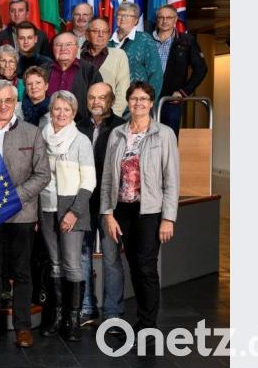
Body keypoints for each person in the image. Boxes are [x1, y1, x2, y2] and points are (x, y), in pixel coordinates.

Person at [0, 80, 50, 348]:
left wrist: (14, 198)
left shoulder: (32, 133)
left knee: (22, 272)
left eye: (8, 101)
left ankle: (22, 326)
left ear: (16, 103)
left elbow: (43, 175)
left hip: (22, 215)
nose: (2, 105)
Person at [100, 81, 179, 334]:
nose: (139, 103)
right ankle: (143, 319)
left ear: (151, 102)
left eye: (144, 99)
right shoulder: (117, 134)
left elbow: (172, 179)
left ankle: (148, 323)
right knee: (133, 264)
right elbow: (108, 179)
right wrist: (107, 213)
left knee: (146, 266)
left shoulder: (164, 133)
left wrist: (168, 218)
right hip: (122, 210)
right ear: (128, 101)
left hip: (150, 211)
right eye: (134, 99)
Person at [37, 91, 96, 342]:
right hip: (47, 206)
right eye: (57, 109)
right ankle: (58, 316)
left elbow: (89, 181)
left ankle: (73, 319)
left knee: (72, 264)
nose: (60, 114)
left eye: (66, 110)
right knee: (55, 263)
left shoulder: (80, 140)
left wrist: (74, 212)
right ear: (51, 111)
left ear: (73, 113)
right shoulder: (42, 137)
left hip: (72, 208)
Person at [76, 82, 125, 329]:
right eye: (91, 97)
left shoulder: (120, 128)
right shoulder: (79, 126)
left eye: (101, 98)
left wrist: (113, 208)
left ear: (111, 100)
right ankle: (87, 308)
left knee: (111, 258)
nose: (96, 102)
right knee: (83, 256)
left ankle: (113, 314)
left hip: (110, 205)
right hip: (83, 202)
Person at [153, 5, 208, 137]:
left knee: (169, 139)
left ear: (175, 19)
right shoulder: (146, 40)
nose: (164, 21)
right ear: (156, 19)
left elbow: (201, 69)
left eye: (169, 17)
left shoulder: (187, 41)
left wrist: (183, 92)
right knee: (143, 139)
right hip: (146, 98)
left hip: (171, 100)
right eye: (161, 17)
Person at [42, 32, 103, 124]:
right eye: (59, 45)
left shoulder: (90, 71)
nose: (63, 48)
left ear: (77, 47)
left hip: (80, 129)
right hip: (46, 128)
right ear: (53, 48)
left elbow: (98, 103)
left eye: (68, 44)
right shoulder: (42, 70)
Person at [110, 2, 163, 97]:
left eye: (127, 16)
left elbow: (156, 74)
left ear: (136, 20)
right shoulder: (107, 41)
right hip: (109, 100)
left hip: (136, 102)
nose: (122, 18)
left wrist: (149, 101)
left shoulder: (145, 39)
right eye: (119, 15)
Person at [80, 17, 130, 116]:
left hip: (107, 116)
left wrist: (111, 118)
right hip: (77, 116)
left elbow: (123, 92)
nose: (101, 35)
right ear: (87, 35)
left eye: (105, 31)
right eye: (96, 31)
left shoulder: (119, 55)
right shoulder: (76, 55)